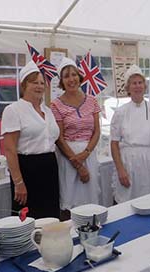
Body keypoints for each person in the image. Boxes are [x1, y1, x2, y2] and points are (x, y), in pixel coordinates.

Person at [1, 61, 60, 219]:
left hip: (49, 167)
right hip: (28, 169)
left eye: (42, 83)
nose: (39, 86)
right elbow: (10, 149)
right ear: (24, 85)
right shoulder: (14, 110)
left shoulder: (47, 111)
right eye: (34, 82)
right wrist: (19, 182)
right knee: (29, 218)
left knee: (50, 215)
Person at [50, 57, 101, 212]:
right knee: (70, 201)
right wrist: (78, 164)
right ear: (62, 82)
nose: (71, 79)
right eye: (66, 76)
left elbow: (97, 131)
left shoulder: (92, 100)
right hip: (68, 158)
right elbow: (59, 137)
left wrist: (86, 153)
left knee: (90, 199)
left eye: (74, 75)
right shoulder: (55, 104)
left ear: (79, 77)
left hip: (89, 154)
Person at [110, 64, 150, 203]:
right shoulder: (120, 112)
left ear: (145, 86)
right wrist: (120, 170)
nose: (137, 86)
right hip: (128, 163)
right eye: (134, 83)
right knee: (127, 203)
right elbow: (114, 144)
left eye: (140, 82)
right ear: (128, 88)